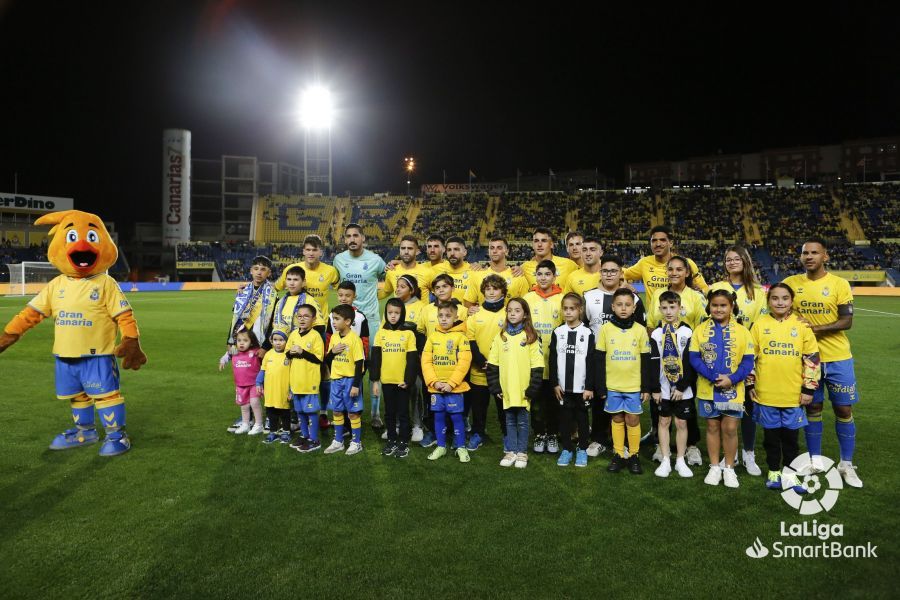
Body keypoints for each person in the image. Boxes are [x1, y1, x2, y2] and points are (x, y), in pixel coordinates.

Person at [783, 238, 862, 487]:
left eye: (814, 252)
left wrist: (813, 328)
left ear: (825, 256)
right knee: (813, 409)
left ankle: (846, 464)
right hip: (807, 359)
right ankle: (815, 461)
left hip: (838, 358)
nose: (809, 256)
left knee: (844, 410)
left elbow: (846, 321)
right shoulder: (791, 283)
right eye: (805, 253)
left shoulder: (839, 284)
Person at [748, 283, 819, 492]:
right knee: (771, 439)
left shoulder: (802, 326)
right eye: (775, 298)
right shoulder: (759, 324)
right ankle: (773, 473)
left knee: (790, 441)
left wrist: (808, 389)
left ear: (791, 301)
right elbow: (750, 357)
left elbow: (812, 359)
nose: (780, 302)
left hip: (793, 396)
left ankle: (791, 475)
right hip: (766, 394)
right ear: (768, 301)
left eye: (785, 298)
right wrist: (750, 383)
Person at [709, 245, 767, 477]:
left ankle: (749, 453)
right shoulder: (716, 288)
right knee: (726, 408)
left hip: (748, 356)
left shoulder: (757, 291)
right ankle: (727, 453)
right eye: (728, 259)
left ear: (745, 261)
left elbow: (761, 325)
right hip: (724, 357)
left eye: (736, 259)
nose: (732, 262)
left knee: (750, 406)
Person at [689, 289, 755, 488]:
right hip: (708, 388)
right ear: (709, 306)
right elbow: (694, 357)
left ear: (731, 306)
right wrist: (712, 376)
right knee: (712, 426)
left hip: (733, 388)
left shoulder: (743, 332)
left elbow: (748, 360)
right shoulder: (700, 329)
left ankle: (729, 468)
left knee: (730, 428)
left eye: (723, 305)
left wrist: (732, 379)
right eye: (714, 305)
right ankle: (715, 466)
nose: (718, 309)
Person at [644, 255, 706, 463]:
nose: (674, 273)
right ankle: (660, 446)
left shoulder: (695, 297)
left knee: (686, 399)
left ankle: (691, 445)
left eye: (679, 269)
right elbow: (652, 324)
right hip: (663, 360)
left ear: (687, 272)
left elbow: (701, 328)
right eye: (670, 269)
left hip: (687, 359)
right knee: (659, 403)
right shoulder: (658, 296)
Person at [583, 254, 646, 456]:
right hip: (598, 356)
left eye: (614, 271)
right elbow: (583, 326)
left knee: (626, 407)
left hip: (626, 361)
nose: (609, 274)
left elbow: (641, 328)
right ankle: (599, 439)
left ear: (621, 273)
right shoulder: (588, 296)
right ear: (600, 272)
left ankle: (625, 444)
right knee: (600, 398)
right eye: (605, 270)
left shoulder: (633, 298)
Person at [332, 223, 386, 428]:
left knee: (374, 370)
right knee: (348, 367)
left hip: (371, 322)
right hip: (348, 321)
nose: (352, 239)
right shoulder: (339, 260)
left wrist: (382, 294)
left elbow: (390, 277)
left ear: (363, 238)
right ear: (345, 239)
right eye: (348, 236)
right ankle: (348, 410)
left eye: (356, 235)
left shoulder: (375, 260)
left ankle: (375, 414)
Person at [597, 289, 653, 475]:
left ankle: (634, 455)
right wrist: (601, 385)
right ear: (613, 307)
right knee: (617, 417)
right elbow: (599, 358)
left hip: (633, 386)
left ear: (634, 307)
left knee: (632, 418)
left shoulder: (640, 331)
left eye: (627, 305)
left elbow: (645, 361)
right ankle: (619, 454)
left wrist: (645, 387)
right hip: (612, 385)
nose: (623, 308)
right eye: (619, 304)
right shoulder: (605, 329)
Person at [487, 298, 544, 469]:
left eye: (517, 310)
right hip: (506, 390)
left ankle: (522, 453)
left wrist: (532, 388)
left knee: (523, 421)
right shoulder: (500, 336)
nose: (512, 313)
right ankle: (510, 451)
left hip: (523, 390)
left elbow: (538, 365)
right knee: (509, 420)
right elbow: (492, 364)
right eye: (510, 310)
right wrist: (495, 386)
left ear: (525, 314)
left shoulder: (531, 336)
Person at [225, 255, 277, 432]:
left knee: (266, 381)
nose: (259, 272)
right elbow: (235, 319)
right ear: (250, 271)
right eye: (256, 268)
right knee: (245, 381)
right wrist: (230, 340)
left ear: (269, 272)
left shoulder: (272, 293)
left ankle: (269, 418)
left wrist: (265, 347)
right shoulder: (244, 292)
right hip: (243, 344)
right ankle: (247, 418)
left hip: (262, 345)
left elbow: (273, 323)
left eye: (263, 269)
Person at [648, 291, 696, 478]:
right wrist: (655, 389)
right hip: (663, 389)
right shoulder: (656, 334)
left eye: (672, 307)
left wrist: (682, 387)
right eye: (665, 308)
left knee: (682, 422)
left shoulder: (688, 332)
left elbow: (690, 362)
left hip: (683, 389)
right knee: (663, 421)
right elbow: (652, 363)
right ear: (659, 309)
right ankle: (666, 459)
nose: (668, 312)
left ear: (680, 308)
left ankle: (680, 460)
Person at [421, 302, 473, 463]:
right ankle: (441, 446)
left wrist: (451, 383)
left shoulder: (461, 337)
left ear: (456, 317)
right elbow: (426, 361)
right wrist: (434, 382)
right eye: (441, 316)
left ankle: (460, 447)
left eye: (448, 316)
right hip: (436, 388)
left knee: (457, 418)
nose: (444, 319)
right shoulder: (432, 337)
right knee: (438, 417)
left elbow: (464, 363)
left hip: (455, 388)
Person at [549, 293, 596, 468]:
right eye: (565, 309)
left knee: (582, 419)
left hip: (582, 387)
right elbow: (552, 360)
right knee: (565, 419)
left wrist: (589, 386)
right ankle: (567, 449)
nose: (568, 312)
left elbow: (591, 362)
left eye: (572, 309)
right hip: (563, 387)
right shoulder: (558, 332)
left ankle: (582, 448)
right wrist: (554, 383)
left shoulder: (587, 333)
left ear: (580, 310)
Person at [523, 260, 564, 454]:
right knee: (536, 402)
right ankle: (539, 434)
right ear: (535, 276)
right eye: (540, 274)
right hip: (534, 362)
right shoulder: (528, 298)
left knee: (555, 402)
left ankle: (553, 434)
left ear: (554, 276)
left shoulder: (562, 298)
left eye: (548, 274)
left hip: (556, 361)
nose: (543, 278)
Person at [370, 299, 418, 459]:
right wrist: (375, 381)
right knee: (389, 413)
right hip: (386, 381)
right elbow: (376, 359)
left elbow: (412, 359)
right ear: (386, 313)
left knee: (403, 413)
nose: (393, 316)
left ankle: (404, 441)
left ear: (402, 314)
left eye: (397, 313)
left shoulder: (408, 333)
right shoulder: (381, 333)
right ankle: (391, 438)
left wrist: (408, 380)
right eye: (390, 313)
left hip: (402, 382)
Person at [465, 274, 508, 450]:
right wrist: (480, 360)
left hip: (502, 371)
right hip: (479, 370)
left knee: (504, 408)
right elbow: (470, 340)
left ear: (503, 291)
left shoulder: (508, 313)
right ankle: (478, 433)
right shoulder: (475, 315)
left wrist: (497, 363)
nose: (491, 292)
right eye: (488, 289)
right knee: (479, 408)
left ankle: (507, 435)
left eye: (495, 289)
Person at [623, 225, 709, 313]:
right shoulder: (644, 263)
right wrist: (624, 283)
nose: (658, 244)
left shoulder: (686, 263)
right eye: (654, 241)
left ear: (671, 243)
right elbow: (621, 273)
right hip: (655, 321)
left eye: (662, 240)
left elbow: (705, 290)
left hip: (682, 318)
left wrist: (699, 292)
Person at [323, 304, 367, 456]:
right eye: (333, 318)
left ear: (347, 321)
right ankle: (338, 441)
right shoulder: (334, 337)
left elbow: (359, 363)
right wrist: (332, 352)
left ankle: (356, 442)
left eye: (337, 319)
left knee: (353, 413)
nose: (333, 322)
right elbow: (327, 359)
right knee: (336, 411)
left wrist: (356, 385)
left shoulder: (355, 340)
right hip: (336, 380)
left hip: (350, 381)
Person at [285, 304, 325, 453]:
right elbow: (287, 354)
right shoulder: (294, 334)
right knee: (300, 411)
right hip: (296, 381)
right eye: (299, 316)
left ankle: (314, 439)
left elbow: (319, 359)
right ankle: (304, 435)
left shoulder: (315, 337)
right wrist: (292, 352)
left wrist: (302, 352)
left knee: (311, 412)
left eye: (306, 316)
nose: (302, 319)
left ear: (313, 319)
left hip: (309, 382)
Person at [393, 274, 427, 443]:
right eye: (397, 285)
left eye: (402, 286)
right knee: (396, 391)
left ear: (412, 290)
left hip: (414, 357)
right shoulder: (393, 306)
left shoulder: (422, 307)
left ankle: (417, 425)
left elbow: (422, 334)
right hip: (395, 356)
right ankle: (398, 424)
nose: (398, 289)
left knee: (415, 390)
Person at [219, 329, 264, 436]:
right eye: (239, 340)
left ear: (251, 342)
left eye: (245, 340)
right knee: (244, 406)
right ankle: (245, 424)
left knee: (255, 403)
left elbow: (266, 360)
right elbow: (226, 356)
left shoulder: (256, 352)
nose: (241, 343)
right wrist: (222, 361)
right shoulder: (234, 352)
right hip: (240, 385)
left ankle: (259, 425)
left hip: (254, 384)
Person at [463, 237, 529, 307]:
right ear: (488, 252)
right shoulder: (478, 276)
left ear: (506, 251)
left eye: (499, 248)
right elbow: (468, 302)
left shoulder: (518, 276)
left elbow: (526, 305)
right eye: (492, 248)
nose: (494, 251)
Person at [256, 330, 293, 445]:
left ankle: (286, 431)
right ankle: (273, 432)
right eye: (275, 340)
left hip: (283, 390)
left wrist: (291, 390)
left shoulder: (289, 355)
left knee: (284, 412)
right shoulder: (268, 354)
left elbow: (294, 373)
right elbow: (263, 370)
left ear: (287, 341)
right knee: (271, 412)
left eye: (281, 340)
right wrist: (258, 383)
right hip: (270, 391)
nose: (278, 343)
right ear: (271, 341)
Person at [271, 265, 324, 338]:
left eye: (295, 280)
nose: (291, 283)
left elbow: (319, 326)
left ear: (303, 282)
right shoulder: (280, 302)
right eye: (289, 279)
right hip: (282, 345)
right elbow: (275, 326)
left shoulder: (309, 300)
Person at [379, 235, 434, 300]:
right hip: (400, 310)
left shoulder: (428, 272)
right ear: (399, 250)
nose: (406, 252)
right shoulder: (392, 271)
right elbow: (386, 291)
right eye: (403, 248)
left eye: (410, 248)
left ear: (417, 251)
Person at [444, 236, 475, 303]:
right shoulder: (439, 270)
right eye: (449, 250)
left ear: (465, 252)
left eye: (456, 249)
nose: (452, 253)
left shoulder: (474, 272)